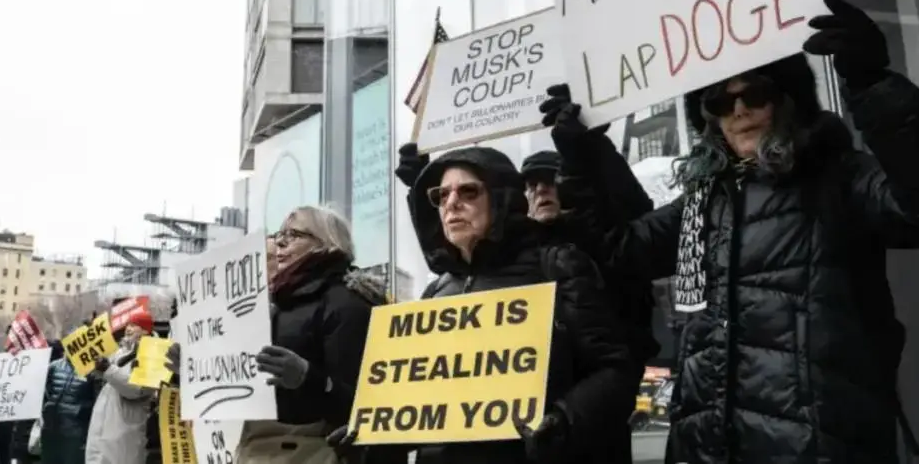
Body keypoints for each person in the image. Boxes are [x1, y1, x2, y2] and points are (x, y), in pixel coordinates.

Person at [604, 0, 919, 463]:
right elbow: (621, 252)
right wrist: (587, 156)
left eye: (754, 94)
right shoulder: (704, 201)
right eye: (719, 101)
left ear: (787, 101)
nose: (738, 110)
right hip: (709, 448)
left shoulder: (836, 175)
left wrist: (872, 83)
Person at [336, 146, 637, 464]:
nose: (451, 203)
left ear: (501, 198)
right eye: (441, 195)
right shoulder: (435, 292)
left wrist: (563, 420)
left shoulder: (558, 268)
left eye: (468, 191)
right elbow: (425, 404)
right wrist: (373, 433)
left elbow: (616, 371)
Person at [238, 205, 390, 464]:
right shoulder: (277, 305)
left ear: (326, 243)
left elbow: (362, 402)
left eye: (294, 234)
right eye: (280, 234)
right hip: (260, 449)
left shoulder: (347, 304)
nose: (280, 242)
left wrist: (308, 378)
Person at [84, 312, 154, 464]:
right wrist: (91, 338)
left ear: (145, 330)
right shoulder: (120, 352)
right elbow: (102, 370)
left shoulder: (152, 355)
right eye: (127, 325)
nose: (128, 328)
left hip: (124, 434)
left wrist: (108, 369)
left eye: (134, 325)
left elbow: (137, 389)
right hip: (105, 428)